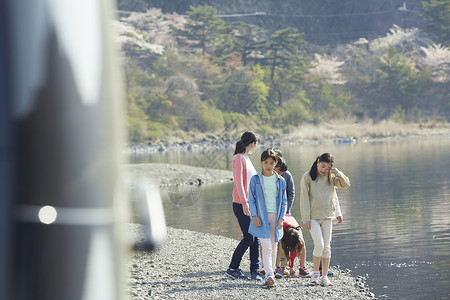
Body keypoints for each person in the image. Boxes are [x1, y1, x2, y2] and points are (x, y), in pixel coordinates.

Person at [299, 153, 350, 287]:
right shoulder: (307, 177)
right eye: (322, 166)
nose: (324, 170)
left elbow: (345, 185)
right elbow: (304, 199)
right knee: (319, 245)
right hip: (313, 217)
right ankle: (315, 273)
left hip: (328, 216)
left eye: (327, 168)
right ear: (317, 162)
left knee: (327, 247)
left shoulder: (331, 177)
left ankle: (325, 277)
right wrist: (305, 218)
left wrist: (337, 172)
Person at [248, 148, 287, 287]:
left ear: (275, 163)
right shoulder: (255, 179)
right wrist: (255, 216)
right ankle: (269, 275)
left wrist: (281, 218)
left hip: (276, 217)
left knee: (274, 245)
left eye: (271, 163)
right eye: (266, 162)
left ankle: (270, 272)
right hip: (262, 217)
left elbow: (284, 201)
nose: (268, 165)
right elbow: (251, 200)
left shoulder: (280, 180)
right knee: (266, 247)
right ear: (261, 162)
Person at [226, 131, 262, 281]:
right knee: (249, 238)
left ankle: (255, 271)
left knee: (256, 237)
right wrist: (245, 203)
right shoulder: (238, 158)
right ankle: (232, 268)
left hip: (251, 203)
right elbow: (239, 182)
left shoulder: (246, 158)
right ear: (252, 144)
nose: (255, 149)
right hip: (241, 204)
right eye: (256, 146)